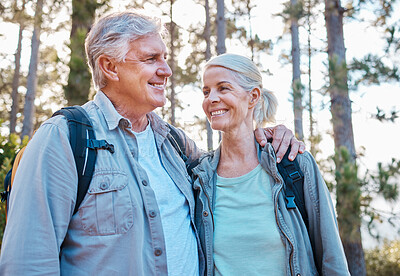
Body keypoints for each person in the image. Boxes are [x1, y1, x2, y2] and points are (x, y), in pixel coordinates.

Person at [0, 11, 304, 275]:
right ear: (109, 67)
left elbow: (233, 167)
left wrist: (267, 134)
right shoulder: (64, 139)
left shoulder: (175, 144)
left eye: (165, 58)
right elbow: (28, 262)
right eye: (150, 59)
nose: (166, 70)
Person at [193, 53, 350, 276]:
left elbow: (331, 257)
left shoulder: (294, 163)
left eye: (223, 88)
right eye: (206, 91)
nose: (211, 99)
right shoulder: (199, 177)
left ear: (253, 96)